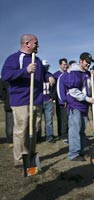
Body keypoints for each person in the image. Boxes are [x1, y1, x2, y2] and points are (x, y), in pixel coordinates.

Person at [1, 34, 55, 167]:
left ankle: (30, 155)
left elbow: (43, 74)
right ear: (27, 44)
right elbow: (5, 75)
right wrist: (25, 70)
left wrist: (49, 76)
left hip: (36, 100)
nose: (38, 45)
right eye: (36, 42)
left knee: (34, 130)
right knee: (21, 130)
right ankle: (20, 159)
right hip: (21, 101)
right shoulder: (14, 58)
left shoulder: (36, 59)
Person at [64, 52, 94, 161]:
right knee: (75, 130)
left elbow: (88, 88)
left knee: (82, 130)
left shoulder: (87, 73)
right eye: (87, 62)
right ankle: (73, 154)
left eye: (90, 62)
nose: (88, 64)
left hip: (84, 106)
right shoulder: (74, 72)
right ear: (81, 61)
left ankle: (80, 151)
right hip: (75, 105)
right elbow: (73, 91)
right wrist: (87, 99)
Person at [36, 60, 55, 143]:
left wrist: (52, 97)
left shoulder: (50, 76)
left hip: (48, 101)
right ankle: (37, 137)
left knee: (49, 121)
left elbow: (54, 89)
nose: (46, 68)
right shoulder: (37, 77)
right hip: (39, 101)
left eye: (47, 67)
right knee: (37, 121)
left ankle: (49, 136)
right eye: (45, 67)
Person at [53, 58, 69, 144]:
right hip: (59, 100)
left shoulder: (67, 74)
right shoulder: (56, 75)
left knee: (65, 119)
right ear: (60, 65)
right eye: (63, 64)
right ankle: (62, 135)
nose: (65, 66)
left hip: (65, 100)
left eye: (66, 64)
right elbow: (55, 89)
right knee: (61, 118)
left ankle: (63, 134)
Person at [0, 78, 14, 148]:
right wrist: (6, 99)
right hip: (9, 104)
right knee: (10, 125)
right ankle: (10, 140)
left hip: (20, 103)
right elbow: (1, 91)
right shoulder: (4, 80)